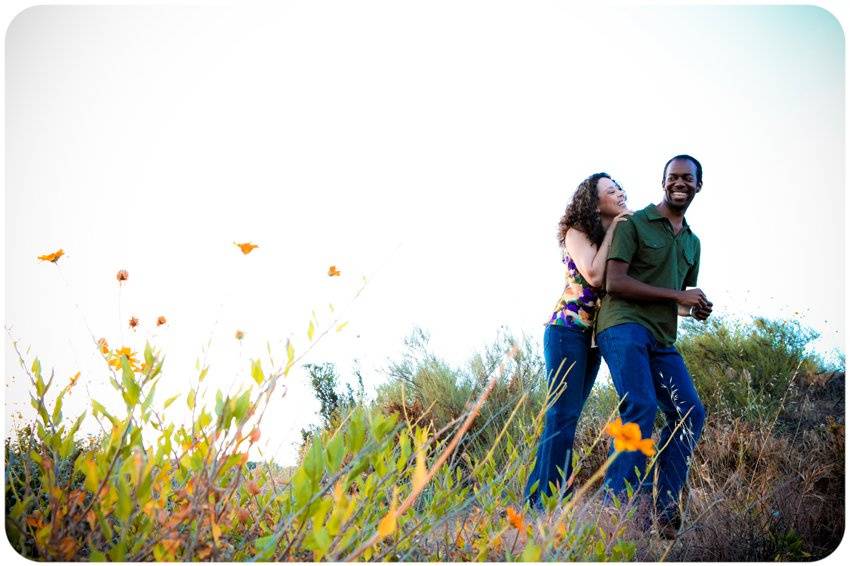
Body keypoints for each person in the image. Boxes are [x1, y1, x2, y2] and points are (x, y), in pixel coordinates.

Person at [595, 154, 713, 538]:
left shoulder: (693, 243)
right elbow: (615, 282)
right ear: (663, 182)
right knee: (642, 404)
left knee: (690, 412)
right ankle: (615, 507)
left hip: (662, 338)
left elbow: (676, 302)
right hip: (623, 325)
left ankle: (664, 509)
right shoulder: (636, 223)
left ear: (699, 185)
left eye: (687, 178)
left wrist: (694, 307)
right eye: (673, 177)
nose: (680, 183)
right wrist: (679, 294)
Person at [524, 172, 631, 509]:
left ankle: (535, 500)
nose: (619, 193)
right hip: (567, 330)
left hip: (593, 339)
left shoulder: (617, 233)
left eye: (619, 188)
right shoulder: (577, 233)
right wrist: (616, 227)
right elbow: (595, 275)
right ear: (593, 201)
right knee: (561, 414)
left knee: (568, 413)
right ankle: (547, 502)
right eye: (610, 190)